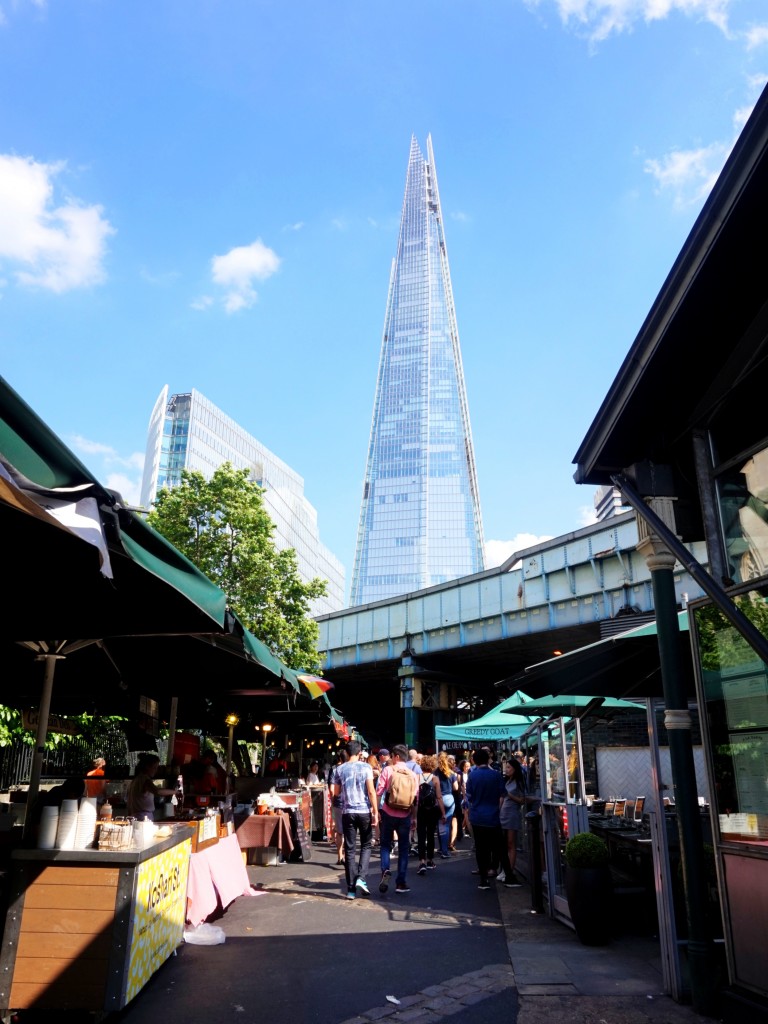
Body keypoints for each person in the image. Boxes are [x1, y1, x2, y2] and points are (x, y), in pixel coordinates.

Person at [330, 741, 379, 900]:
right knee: (366, 845)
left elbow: (336, 792)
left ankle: (351, 889)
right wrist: (375, 811)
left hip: (347, 812)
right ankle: (361, 878)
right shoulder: (366, 768)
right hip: (364, 811)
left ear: (347, 752)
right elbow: (371, 791)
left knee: (349, 850)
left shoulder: (339, 769)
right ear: (359, 753)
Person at [376, 744, 418, 895]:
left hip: (388, 812)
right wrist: (414, 817)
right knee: (404, 849)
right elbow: (415, 798)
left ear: (397, 757)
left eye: (393, 756)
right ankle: (401, 882)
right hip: (405, 814)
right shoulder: (412, 774)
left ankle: (385, 870)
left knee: (385, 845)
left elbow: (379, 792)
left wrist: (376, 811)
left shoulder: (388, 770)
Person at [466, 747, 506, 890]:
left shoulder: (472, 776)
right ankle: (496, 869)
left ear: (475, 760)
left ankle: (483, 879)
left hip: (477, 816)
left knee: (480, 848)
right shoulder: (496, 775)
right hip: (493, 816)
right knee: (496, 846)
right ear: (488, 759)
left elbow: (469, 796)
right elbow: (502, 795)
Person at [415, 754, 445, 875]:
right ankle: (430, 860)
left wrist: (413, 814)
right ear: (432, 766)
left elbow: (415, 796)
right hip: (432, 810)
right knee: (431, 835)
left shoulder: (417, 777)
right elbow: (439, 797)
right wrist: (443, 813)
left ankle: (421, 861)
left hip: (420, 809)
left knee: (421, 835)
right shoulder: (435, 779)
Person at [499, 756, 526, 887]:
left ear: (515, 769)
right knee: (503, 844)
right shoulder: (507, 781)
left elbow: (522, 800)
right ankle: (504, 869)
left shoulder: (518, 782)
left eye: (509, 767)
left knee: (511, 843)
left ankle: (510, 871)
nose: (507, 769)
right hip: (503, 813)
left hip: (512, 814)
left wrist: (509, 795)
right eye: (506, 767)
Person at [127, 754, 176, 821]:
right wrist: (175, 792)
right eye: (154, 767)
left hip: (135, 816)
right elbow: (157, 791)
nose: (156, 770)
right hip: (144, 818)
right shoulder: (145, 780)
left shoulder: (135, 780)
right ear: (147, 767)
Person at [434, 751, 459, 859]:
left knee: (440, 824)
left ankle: (441, 848)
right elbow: (456, 788)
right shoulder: (451, 773)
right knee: (447, 825)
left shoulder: (435, 772)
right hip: (449, 799)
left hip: (438, 799)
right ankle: (445, 850)